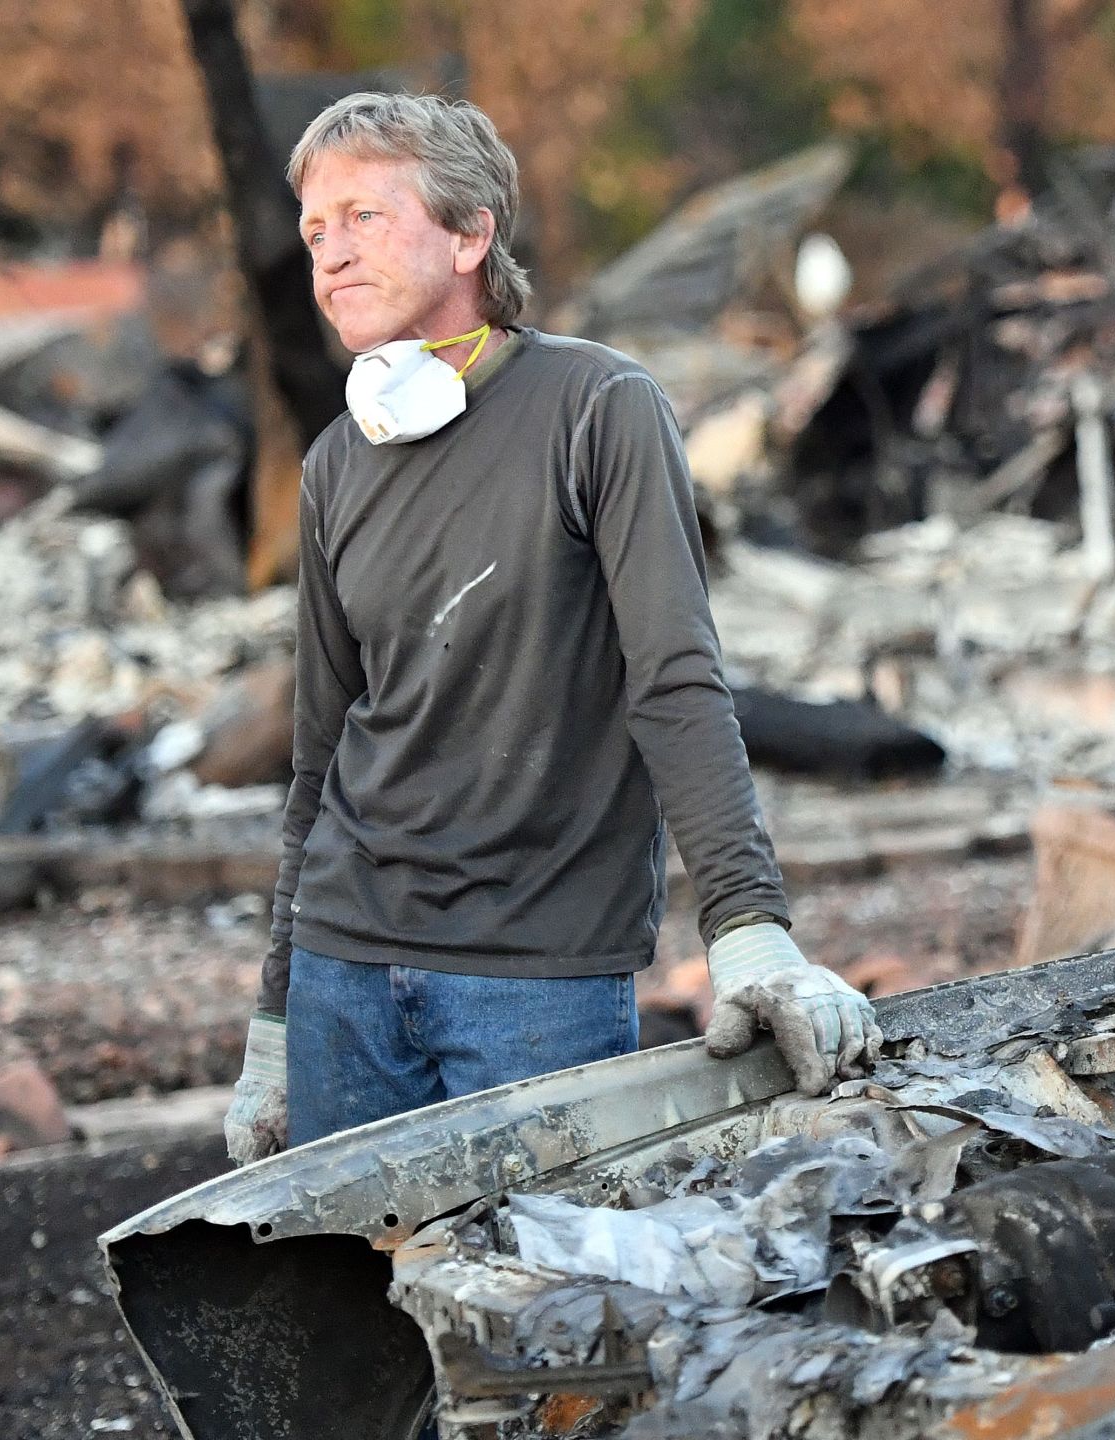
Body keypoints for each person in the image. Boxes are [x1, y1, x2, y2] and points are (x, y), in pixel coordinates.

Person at [222, 93, 878, 1166]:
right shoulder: (338, 461)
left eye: (362, 218)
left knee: (539, 1308)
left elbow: (675, 683)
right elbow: (321, 750)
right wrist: (276, 1015)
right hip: (344, 967)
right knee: (353, 1306)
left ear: (471, 232)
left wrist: (749, 932)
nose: (329, 255)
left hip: (536, 980)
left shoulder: (599, 408)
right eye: (313, 231)